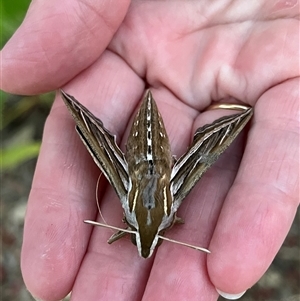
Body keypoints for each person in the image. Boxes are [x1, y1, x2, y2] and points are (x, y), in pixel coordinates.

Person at [1, 1, 298, 300]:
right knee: (205, 154)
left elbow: (103, 147)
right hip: (150, 140)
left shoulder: (157, 194)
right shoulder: (162, 194)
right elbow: (202, 155)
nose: (147, 246)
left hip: (147, 141)